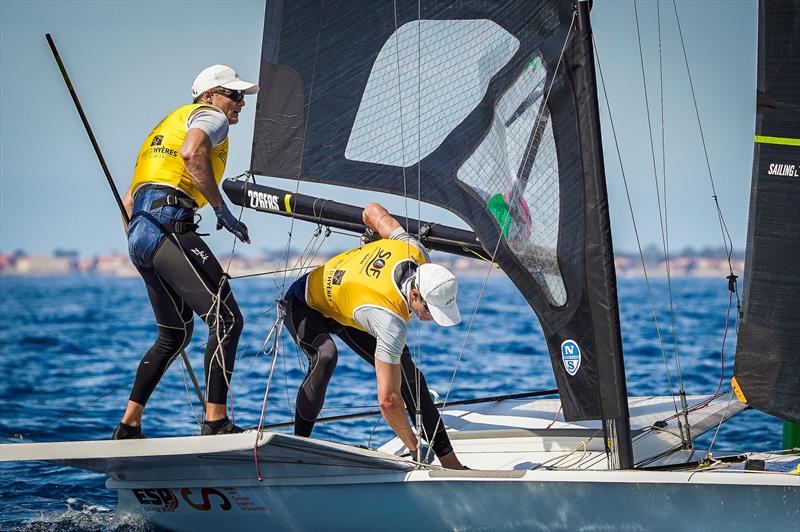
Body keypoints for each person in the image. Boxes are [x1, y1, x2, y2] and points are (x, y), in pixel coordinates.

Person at [112, 65, 258, 439]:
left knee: (174, 334)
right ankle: (216, 422)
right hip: (168, 224)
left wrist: (146, 247)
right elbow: (192, 153)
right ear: (208, 96)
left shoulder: (164, 126)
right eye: (233, 94)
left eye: (242, 96)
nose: (240, 102)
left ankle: (128, 426)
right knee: (226, 319)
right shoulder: (210, 117)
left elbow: (129, 201)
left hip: (141, 233)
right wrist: (222, 211)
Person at [282, 203, 466, 469]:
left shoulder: (413, 250)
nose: (430, 318)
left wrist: (374, 239)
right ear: (415, 294)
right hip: (304, 302)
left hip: (347, 308)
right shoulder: (390, 320)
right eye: (429, 310)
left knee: (411, 378)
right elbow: (387, 400)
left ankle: (452, 465)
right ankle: (298, 450)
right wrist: (416, 449)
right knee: (326, 356)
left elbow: (371, 211)